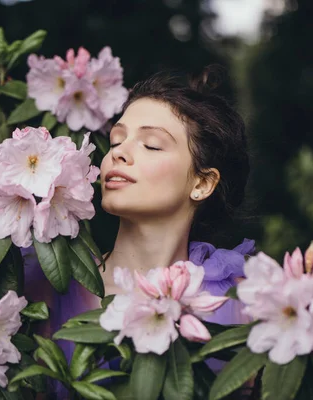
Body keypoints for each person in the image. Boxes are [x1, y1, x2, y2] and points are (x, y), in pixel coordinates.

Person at [22, 66, 254, 396]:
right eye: (117, 139)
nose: (118, 152)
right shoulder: (47, 285)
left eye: (152, 145)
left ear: (202, 183)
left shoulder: (243, 302)